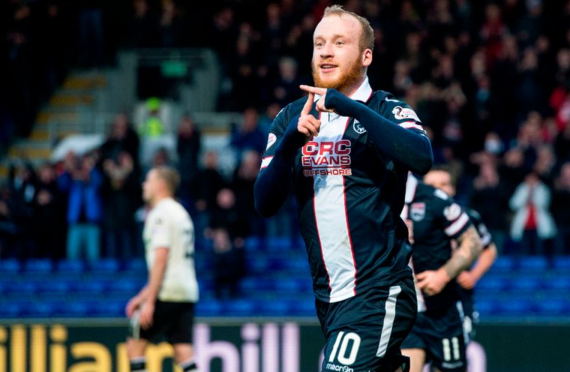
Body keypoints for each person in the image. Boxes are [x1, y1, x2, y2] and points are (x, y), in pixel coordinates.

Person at [254, 5, 433, 372]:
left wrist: (351, 108)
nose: (326, 51)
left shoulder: (386, 109)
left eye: (339, 42)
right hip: (330, 295)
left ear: (366, 55)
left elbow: (421, 156)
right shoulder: (292, 117)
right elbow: (264, 203)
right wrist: (289, 143)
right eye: (319, 43)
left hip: (379, 288)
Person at [400, 174, 482, 372]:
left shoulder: (435, 200)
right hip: (405, 310)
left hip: (443, 311)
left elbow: (475, 243)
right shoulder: (375, 197)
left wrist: (443, 275)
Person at [423, 166, 498, 372]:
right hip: (420, 298)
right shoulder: (411, 216)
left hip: (455, 300)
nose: (438, 189)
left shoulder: (468, 216)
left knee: (450, 362)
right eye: (431, 185)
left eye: (444, 184)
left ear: (454, 189)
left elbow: (489, 249)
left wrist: (473, 275)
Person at [125, 166, 199, 372]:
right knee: (183, 350)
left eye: (147, 181)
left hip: (166, 292)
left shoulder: (160, 214)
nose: (144, 185)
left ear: (160, 186)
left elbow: (161, 258)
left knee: (135, 344)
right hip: (186, 291)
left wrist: (149, 302)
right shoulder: (181, 212)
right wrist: (142, 296)